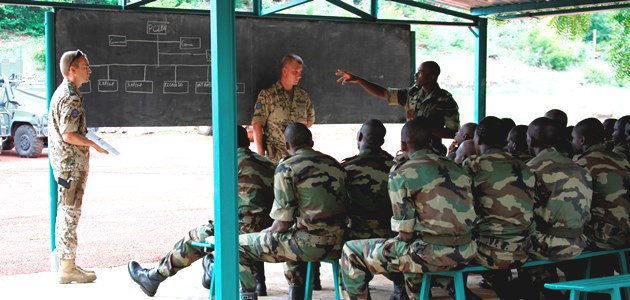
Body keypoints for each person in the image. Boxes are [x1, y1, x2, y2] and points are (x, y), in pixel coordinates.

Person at [127, 126, 275, 297]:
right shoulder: (268, 163)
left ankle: (154, 277)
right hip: (269, 230)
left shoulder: (230, 162)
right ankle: (212, 271)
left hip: (242, 231)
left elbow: (225, 207)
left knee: (194, 237)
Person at [340, 117, 477, 300]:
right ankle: (417, 290)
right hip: (466, 252)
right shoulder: (458, 168)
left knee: (351, 251)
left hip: (427, 254)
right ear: (430, 142)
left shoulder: (401, 173)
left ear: (403, 145)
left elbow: (405, 234)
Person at [238, 123, 347, 300]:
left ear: (287, 145)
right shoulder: (334, 164)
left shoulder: (287, 168)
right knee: (292, 235)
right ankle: (297, 291)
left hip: (309, 246)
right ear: (311, 141)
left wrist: (266, 233)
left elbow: (282, 223)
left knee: (238, 245)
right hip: (339, 243)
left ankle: (249, 296)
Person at [48, 49, 109, 284]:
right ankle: (67, 267)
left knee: (68, 211)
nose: (89, 70)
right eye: (85, 66)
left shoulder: (65, 92)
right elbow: (69, 134)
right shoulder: (70, 96)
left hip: (67, 165)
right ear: (72, 70)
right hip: (70, 165)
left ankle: (68, 263)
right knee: (69, 213)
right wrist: (93, 144)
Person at [518, 117, 593, 299]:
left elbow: (523, 212)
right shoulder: (580, 168)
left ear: (532, 140)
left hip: (546, 246)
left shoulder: (531, 169)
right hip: (579, 242)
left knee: (511, 242)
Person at [463, 116, 535, 300]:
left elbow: (462, 208)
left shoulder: (473, 165)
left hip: (488, 251)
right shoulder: (523, 167)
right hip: (524, 248)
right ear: (505, 140)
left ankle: (458, 292)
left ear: (477, 139)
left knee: (455, 246)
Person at [341, 119, 408, 299]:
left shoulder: (346, 169)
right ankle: (402, 289)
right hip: (393, 239)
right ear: (382, 142)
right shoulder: (397, 168)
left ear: (360, 137)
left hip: (355, 239)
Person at [572, 118, 630, 296]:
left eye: (573, 138)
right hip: (626, 233)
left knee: (559, 241)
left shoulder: (582, 164)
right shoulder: (621, 160)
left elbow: (574, 207)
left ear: (581, 140)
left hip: (604, 237)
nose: (571, 142)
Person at [335, 61, 460, 140]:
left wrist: (424, 130)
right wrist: (359, 80)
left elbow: (453, 132)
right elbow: (384, 93)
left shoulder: (445, 100)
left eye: (420, 72)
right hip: (410, 150)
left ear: (432, 77)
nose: (416, 75)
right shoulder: (412, 93)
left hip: (433, 152)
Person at [251, 53, 315, 164]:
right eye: (295, 72)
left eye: (300, 72)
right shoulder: (268, 95)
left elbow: (309, 121)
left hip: (299, 160)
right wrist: (261, 157)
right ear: (284, 71)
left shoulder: (303, 96)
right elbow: (257, 125)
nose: (298, 75)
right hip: (276, 160)